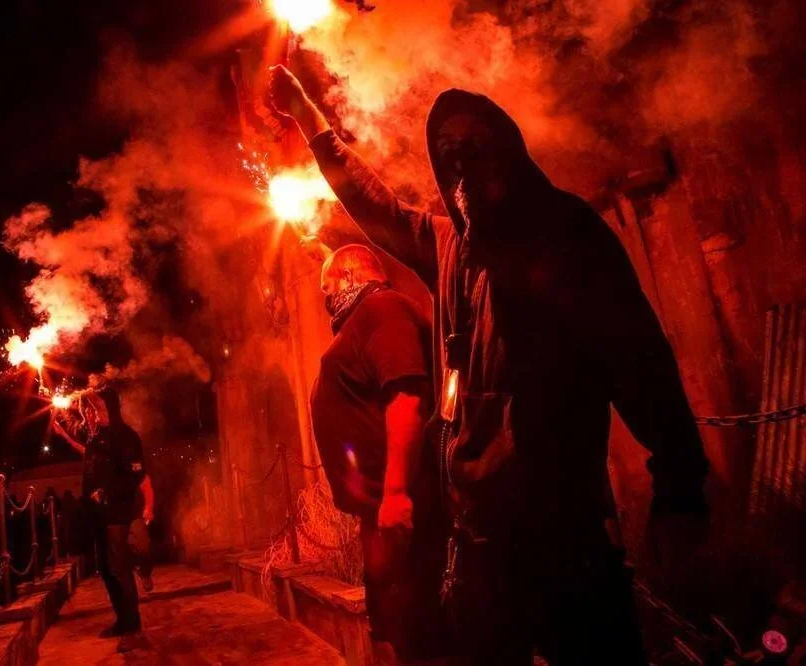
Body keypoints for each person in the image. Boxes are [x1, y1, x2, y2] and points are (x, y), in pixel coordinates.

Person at [271, 65, 710, 664]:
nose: (464, 170)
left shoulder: (569, 240)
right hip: (479, 543)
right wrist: (307, 116)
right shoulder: (451, 247)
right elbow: (373, 203)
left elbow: (643, 365)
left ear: (510, 150)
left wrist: (680, 491)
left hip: (565, 535)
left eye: (476, 150)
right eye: (449, 158)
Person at [310, 244, 451, 663]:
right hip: (382, 516)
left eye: (328, 287)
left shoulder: (383, 308)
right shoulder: (363, 318)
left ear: (352, 279)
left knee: (425, 634)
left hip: (408, 515)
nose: (325, 298)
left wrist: (396, 493)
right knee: (402, 632)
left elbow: (405, 396)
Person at [53, 390, 152, 653]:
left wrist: (107, 493)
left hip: (118, 514)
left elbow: (135, 475)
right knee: (106, 570)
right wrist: (62, 429)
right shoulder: (98, 436)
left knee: (119, 569)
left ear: (110, 407)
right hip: (98, 514)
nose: (90, 412)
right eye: (88, 407)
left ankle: (134, 628)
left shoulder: (126, 436)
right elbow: (88, 456)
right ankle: (122, 620)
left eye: (95, 406)